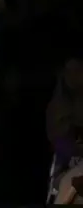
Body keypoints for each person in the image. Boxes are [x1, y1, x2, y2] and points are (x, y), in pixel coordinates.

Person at [47, 52, 83, 204]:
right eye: (69, 71)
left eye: (77, 71)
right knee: (68, 182)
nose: (73, 76)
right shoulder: (56, 106)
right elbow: (55, 140)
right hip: (66, 164)